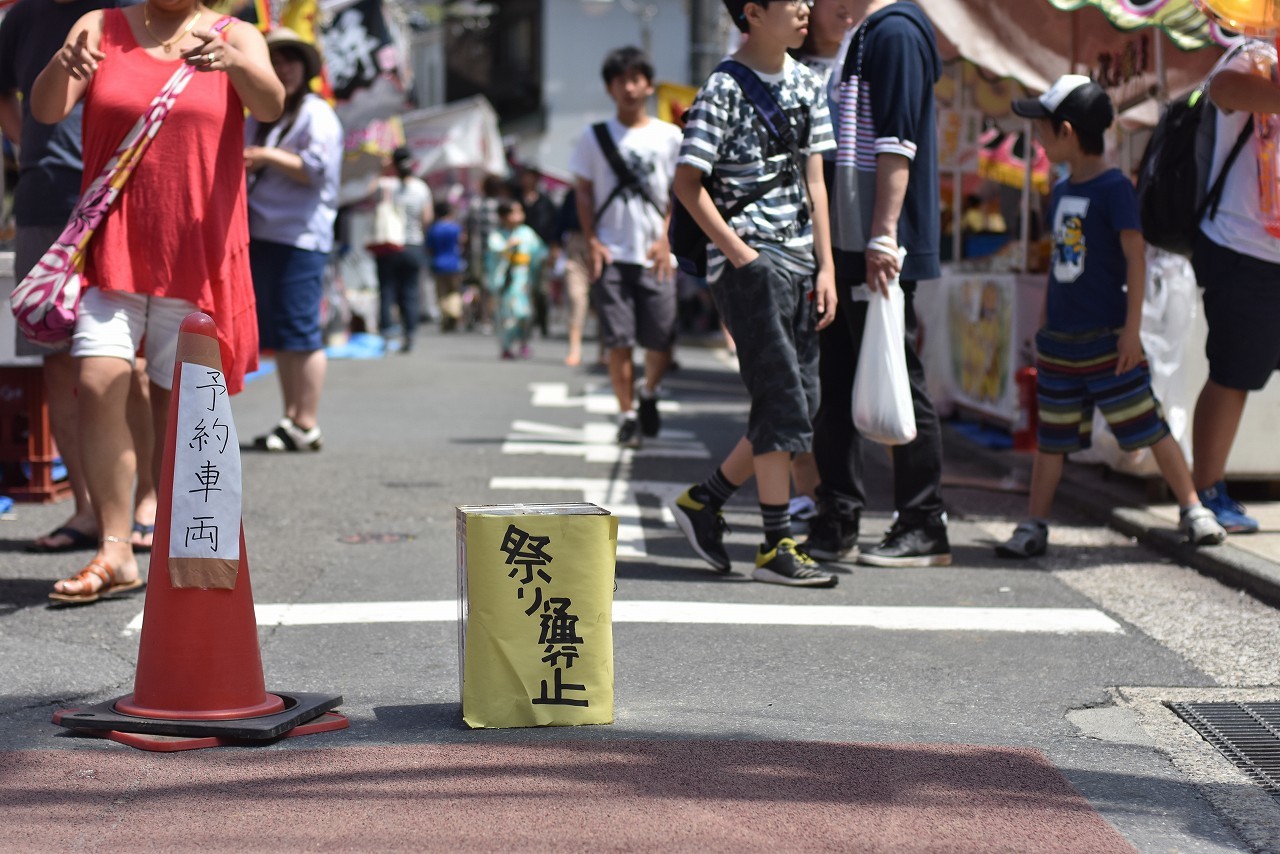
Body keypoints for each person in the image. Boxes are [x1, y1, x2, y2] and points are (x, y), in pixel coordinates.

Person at [31, 1, 283, 604]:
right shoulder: (100, 26)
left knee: (184, 411)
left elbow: (271, 105)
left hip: (194, 253)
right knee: (97, 382)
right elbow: (45, 109)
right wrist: (61, 63)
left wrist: (235, 65)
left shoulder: (236, 33)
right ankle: (115, 548)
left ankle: (183, 543)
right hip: (112, 248)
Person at [994, 76, 1227, 556]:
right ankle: (1034, 523)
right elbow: (1060, 265)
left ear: (1065, 131)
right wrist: (1042, 322)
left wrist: (1131, 332)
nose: (1038, 140)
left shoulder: (1115, 188)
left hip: (1108, 339)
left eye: (1041, 130)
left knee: (1146, 422)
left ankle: (1192, 508)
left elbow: (1135, 257)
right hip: (1061, 340)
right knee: (1052, 437)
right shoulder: (1061, 192)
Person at [669, 0, 839, 587]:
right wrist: (739, 253)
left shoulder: (808, 82)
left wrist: (826, 268)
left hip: (800, 260)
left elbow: (817, 181)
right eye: (793, 1)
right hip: (751, 260)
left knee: (800, 401)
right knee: (782, 396)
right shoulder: (722, 87)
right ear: (754, 12)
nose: (807, 8)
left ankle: (705, 499)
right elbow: (687, 183)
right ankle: (775, 543)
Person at [0, 0, 160, 554]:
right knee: (56, 355)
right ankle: (88, 509)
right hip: (43, 197)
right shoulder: (22, 17)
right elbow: (4, 92)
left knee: (131, 359)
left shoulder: (129, 10)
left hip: (116, 196)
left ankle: (149, 498)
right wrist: (31, 147)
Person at [804, 0, 950, 568]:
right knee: (836, 379)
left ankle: (922, 520)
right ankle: (837, 516)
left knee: (896, 373)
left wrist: (883, 236)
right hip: (849, 240)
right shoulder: (863, 33)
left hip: (875, 243)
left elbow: (897, 141)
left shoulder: (895, 31)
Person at [568, 46, 682, 449]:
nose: (630, 88)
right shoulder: (593, 137)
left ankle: (649, 392)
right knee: (618, 340)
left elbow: (679, 194)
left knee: (662, 340)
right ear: (610, 88)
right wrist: (593, 240)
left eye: (637, 79)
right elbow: (582, 193)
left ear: (649, 85)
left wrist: (667, 239)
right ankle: (627, 412)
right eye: (621, 81)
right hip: (612, 255)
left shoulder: (670, 136)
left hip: (656, 255)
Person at [1188, 42, 1280, 534]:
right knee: (1233, 374)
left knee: (1239, 372)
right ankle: (1207, 491)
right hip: (1241, 246)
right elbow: (1222, 89)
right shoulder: (1254, 55)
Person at [244, 27, 342, 452]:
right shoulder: (262, 114)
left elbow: (316, 170)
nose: (282, 68)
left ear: (305, 69)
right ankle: (292, 419)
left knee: (300, 330)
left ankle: (307, 421)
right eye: (275, 60)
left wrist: (265, 157)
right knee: (283, 333)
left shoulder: (316, 113)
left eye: (290, 60)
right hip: (262, 232)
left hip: (300, 236)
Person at [792, 0, 855, 530]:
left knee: (824, 385)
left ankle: (827, 500)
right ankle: (811, 495)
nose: (838, 8)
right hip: (791, 245)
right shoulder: (784, 72)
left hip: (845, 244)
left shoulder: (867, 53)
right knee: (801, 385)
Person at [373, 146, 432, 353]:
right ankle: (410, 334)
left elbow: (369, 196)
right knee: (410, 291)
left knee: (387, 290)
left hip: (389, 245)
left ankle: (387, 334)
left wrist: (383, 171)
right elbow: (427, 219)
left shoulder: (385, 185)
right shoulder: (421, 188)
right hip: (413, 245)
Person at [486, 200, 547, 359]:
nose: (519, 215)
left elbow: (539, 252)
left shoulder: (526, 233)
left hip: (523, 280)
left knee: (524, 314)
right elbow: (494, 250)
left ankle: (523, 342)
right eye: (515, 212)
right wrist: (508, 246)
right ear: (504, 216)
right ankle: (506, 347)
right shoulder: (498, 235)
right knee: (506, 316)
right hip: (505, 282)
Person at [515, 165, 557, 339]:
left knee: (541, 289)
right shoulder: (516, 200)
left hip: (541, 250)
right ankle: (525, 324)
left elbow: (554, 225)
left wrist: (554, 248)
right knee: (522, 287)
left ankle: (542, 321)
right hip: (519, 250)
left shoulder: (545, 201)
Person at [554, 187, 593, 366]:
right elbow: (562, 219)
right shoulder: (574, 192)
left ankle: (606, 350)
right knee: (576, 297)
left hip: (606, 243)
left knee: (603, 300)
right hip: (576, 244)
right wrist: (555, 244)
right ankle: (574, 347)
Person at [426, 199, 467, 332]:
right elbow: (462, 242)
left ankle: (446, 318)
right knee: (454, 291)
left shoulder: (433, 229)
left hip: (438, 263)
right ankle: (454, 313)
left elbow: (429, 248)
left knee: (441, 293)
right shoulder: (456, 228)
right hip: (455, 263)